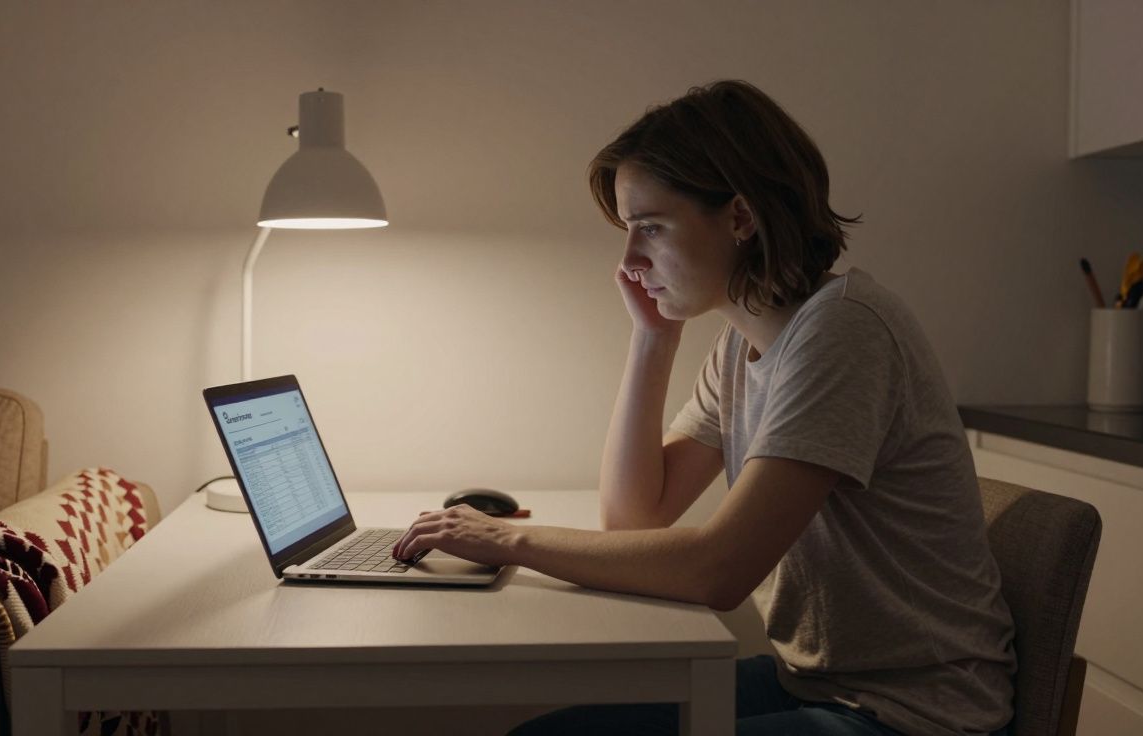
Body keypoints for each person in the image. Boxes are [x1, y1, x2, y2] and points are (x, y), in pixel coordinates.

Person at [392, 80, 1016, 736]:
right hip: (813, 681)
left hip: (915, 718)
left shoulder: (843, 331)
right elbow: (635, 519)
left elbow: (718, 570)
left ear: (741, 218)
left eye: (650, 228)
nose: (630, 261)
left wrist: (508, 538)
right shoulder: (743, 344)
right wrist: (653, 338)